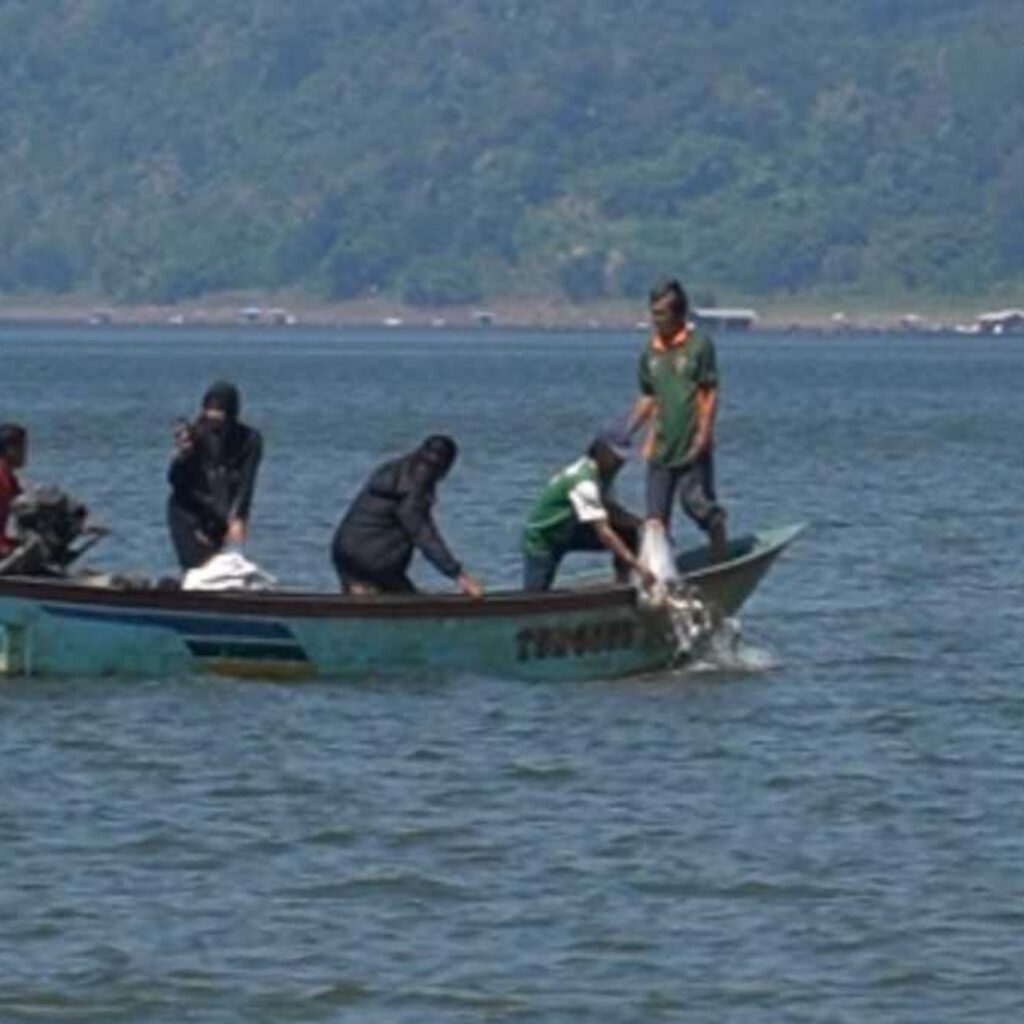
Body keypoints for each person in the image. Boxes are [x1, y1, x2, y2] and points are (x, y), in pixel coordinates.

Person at [627, 279, 727, 561]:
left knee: (696, 504)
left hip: (692, 443)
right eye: (653, 313)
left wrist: (704, 434)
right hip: (660, 446)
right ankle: (660, 574)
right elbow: (648, 396)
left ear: (678, 314)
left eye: (661, 313)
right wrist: (626, 430)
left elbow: (709, 391)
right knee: (655, 522)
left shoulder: (698, 345)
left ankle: (720, 551)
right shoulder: (650, 351)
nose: (656, 320)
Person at [332, 435, 483, 596]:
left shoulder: (393, 469)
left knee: (364, 602)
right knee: (408, 601)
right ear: (446, 466)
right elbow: (422, 533)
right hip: (374, 558)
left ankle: (360, 593)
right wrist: (458, 575)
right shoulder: (415, 486)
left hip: (344, 551)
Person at [521, 433, 657, 592]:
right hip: (544, 538)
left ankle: (624, 584)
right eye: (616, 458)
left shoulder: (602, 474)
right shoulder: (584, 482)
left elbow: (609, 509)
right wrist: (637, 564)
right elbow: (604, 532)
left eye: (623, 459)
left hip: (570, 530)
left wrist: (643, 524)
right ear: (601, 454)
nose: (621, 463)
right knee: (536, 595)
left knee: (628, 533)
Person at [167, 381, 263, 570]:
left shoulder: (249, 439)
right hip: (187, 512)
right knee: (195, 567)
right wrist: (182, 458)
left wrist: (239, 517)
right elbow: (176, 481)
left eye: (218, 410)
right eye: (209, 409)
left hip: (218, 516)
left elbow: (247, 482)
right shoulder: (196, 434)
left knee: (215, 568)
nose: (213, 415)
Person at [0, 424, 27, 558]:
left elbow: (27, 501)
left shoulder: (9, 478)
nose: (26, 453)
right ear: (10, 449)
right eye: (23, 448)